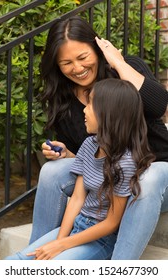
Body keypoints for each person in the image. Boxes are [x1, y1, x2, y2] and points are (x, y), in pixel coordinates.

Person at [29, 16, 168, 260]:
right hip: (110, 179)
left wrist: (117, 62)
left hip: (156, 171)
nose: (77, 68)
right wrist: (67, 153)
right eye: (66, 62)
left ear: (97, 49)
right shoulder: (64, 98)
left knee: (148, 177)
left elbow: (158, 105)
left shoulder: (125, 68)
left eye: (83, 57)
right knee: (51, 171)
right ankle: (37, 257)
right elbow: (88, 156)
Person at [5, 78, 155, 260]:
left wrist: (62, 245)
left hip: (100, 239)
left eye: (90, 104)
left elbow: (111, 223)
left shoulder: (125, 162)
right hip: (78, 224)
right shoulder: (90, 144)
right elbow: (77, 198)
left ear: (109, 113)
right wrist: (58, 242)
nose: (84, 109)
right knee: (17, 261)